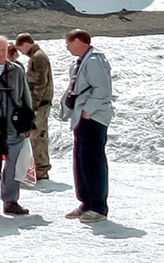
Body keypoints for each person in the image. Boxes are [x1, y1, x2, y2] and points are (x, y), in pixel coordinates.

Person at [59, 28, 114, 222]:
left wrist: (87, 111)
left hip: (93, 118)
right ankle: (86, 202)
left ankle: (98, 206)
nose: (67, 47)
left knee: (93, 161)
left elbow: (102, 89)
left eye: (69, 43)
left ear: (78, 41)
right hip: (82, 118)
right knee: (81, 160)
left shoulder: (94, 61)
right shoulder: (82, 61)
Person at [0, 36, 33, 215]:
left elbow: (25, 96)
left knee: (13, 166)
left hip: (14, 126)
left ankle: (10, 201)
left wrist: (28, 122)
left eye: (3, 49)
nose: (1, 54)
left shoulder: (17, 70)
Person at [17, 33, 53, 181]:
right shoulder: (37, 56)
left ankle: (42, 169)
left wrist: (33, 106)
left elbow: (39, 83)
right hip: (39, 104)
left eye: (21, 49)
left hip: (40, 105)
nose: (22, 53)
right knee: (36, 136)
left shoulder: (38, 57)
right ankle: (40, 168)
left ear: (26, 44)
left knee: (38, 136)